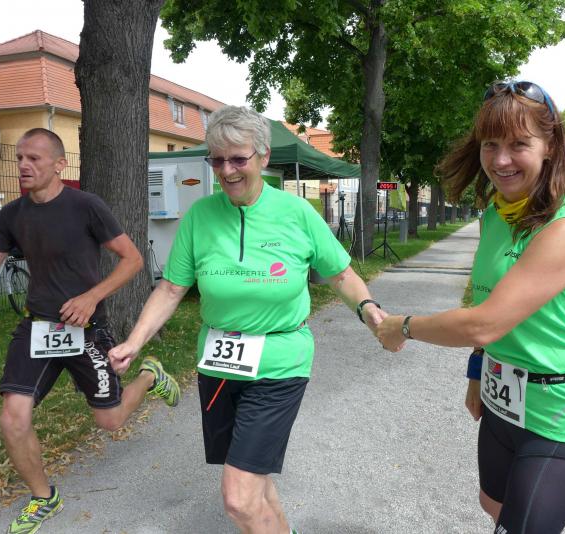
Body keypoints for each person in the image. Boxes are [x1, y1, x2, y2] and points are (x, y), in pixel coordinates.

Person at [108, 106, 385, 534]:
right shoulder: (200, 216)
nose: (227, 170)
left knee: (238, 498)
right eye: (217, 160)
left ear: (263, 156)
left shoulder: (297, 214)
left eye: (238, 158)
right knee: (253, 478)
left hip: (279, 363)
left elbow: (342, 275)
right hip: (219, 364)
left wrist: (368, 310)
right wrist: (135, 341)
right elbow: (171, 289)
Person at [377, 81, 565, 534]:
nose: (501, 160)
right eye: (490, 144)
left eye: (519, 144)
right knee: (492, 505)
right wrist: (477, 375)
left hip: (560, 415)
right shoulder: (494, 216)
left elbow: (482, 323)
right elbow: (488, 304)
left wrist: (400, 326)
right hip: (504, 400)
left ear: (550, 146)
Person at [0, 128, 180, 534]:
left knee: (111, 421)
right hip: (37, 328)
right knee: (13, 417)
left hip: (85, 330)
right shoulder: (11, 215)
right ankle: (44, 497)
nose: (24, 165)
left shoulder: (86, 206)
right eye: (20, 158)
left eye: (34, 158)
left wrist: (91, 297)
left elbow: (133, 260)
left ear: (59, 164)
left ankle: (150, 375)